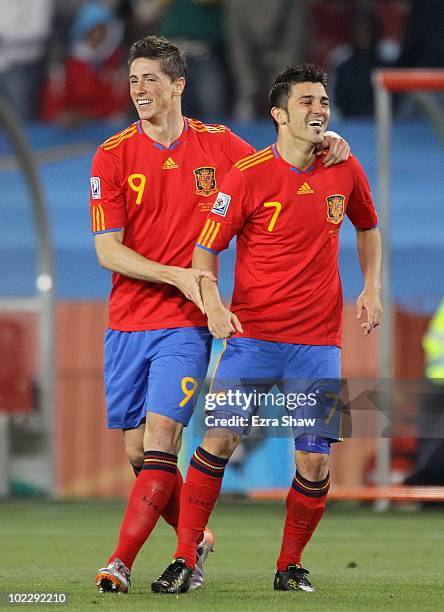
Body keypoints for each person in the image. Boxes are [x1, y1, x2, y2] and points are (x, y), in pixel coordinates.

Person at [90, 36, 351, 594]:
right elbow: (106, 251)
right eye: (133, 80)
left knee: (167, 439)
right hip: (126, 321)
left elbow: (275, 163)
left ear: (178, 85)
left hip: (190, 321)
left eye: (151, 79)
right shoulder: (112, 154)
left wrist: (326, 143)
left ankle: (121, 562)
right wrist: (177, 273)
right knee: (140, 453)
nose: (140, 90)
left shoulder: (219, 146)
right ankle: (196, 539)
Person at [152, 63, 382, 594]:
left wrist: (371, 287)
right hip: (251, 341)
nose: (318, 109)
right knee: (218, 439)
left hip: (317, 346)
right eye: (306, 101)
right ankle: (185, 558)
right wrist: (211, 302)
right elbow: (204, 250)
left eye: (322, 101)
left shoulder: (345, 168)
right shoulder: (249, 175)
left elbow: (367, 225)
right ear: (279, 114)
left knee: (314, 459)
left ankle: (289, 566)